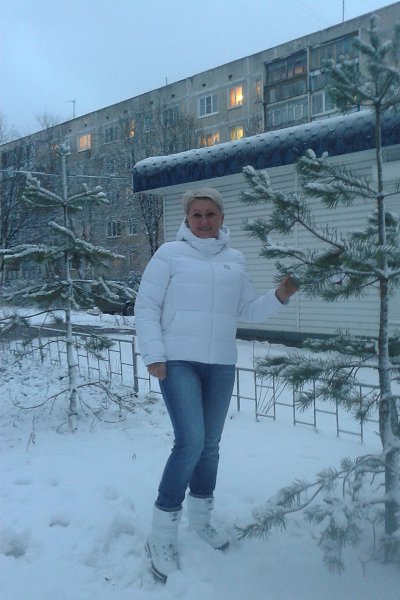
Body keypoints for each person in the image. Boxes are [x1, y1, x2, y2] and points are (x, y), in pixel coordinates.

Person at [134, 187, 297, 582]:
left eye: (211, 214)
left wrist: (280, 295)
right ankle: (161, 534)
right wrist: (153, 353)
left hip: (221, 363)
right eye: (197, 214)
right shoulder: (169, 255)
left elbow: (246, 310)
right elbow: (147, 305)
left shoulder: (234, 260)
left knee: (209, 446)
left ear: (222, 218)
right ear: (187, 219)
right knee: (190, 441)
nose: (204, 221)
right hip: (178, 360)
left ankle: (201, 519)